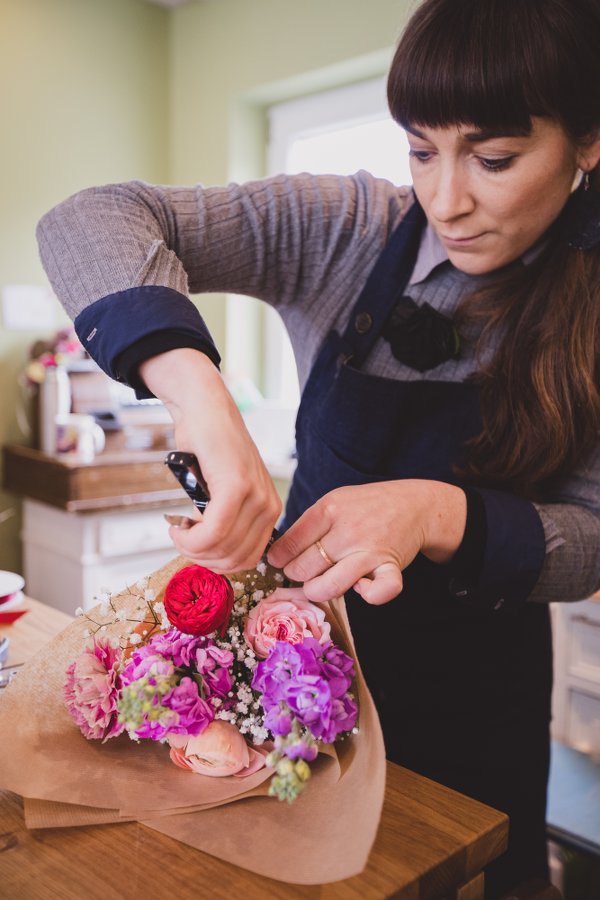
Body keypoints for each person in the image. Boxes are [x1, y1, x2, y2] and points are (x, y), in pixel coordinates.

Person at [36, 0, 600, 894]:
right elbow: (90, 217)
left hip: (481, 697)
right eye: (421, 149)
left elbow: (590, 542)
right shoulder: (346, 228)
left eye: (493, 159)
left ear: (587, 140)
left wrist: (436, 511)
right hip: (294, 675)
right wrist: (198, 394)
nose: (446, 199)